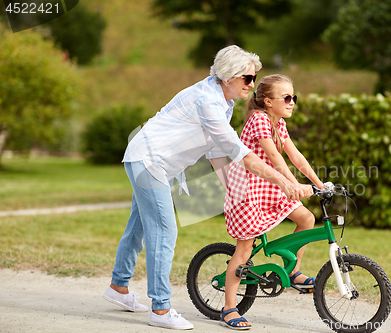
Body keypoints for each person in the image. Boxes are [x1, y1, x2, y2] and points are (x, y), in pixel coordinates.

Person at [102, 46, 313, 330]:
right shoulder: (207, 102)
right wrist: (286, 182)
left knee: (138, 225)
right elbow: (243, 156)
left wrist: (231, 190)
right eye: (247, 79)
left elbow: (215, 151)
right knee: (164, 230)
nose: (251, 86)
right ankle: (161, 310)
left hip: (151, 162)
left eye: (253, 79)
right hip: (148, 161)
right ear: (227, 77)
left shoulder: (223, 101)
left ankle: (118, 287)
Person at [221, 74, 324, 330]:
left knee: (306, 218)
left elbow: (295, 156)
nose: (292, 102)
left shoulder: (279, 123)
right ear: (267, 101)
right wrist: (294, 185)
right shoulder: (258, 120)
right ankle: (228, 308)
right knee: (244, 248)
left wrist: (319, 184)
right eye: (286, 98)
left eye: (294, 97)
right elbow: (275, 157)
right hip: (247, 189)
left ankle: (292, 271)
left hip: (268, 185)